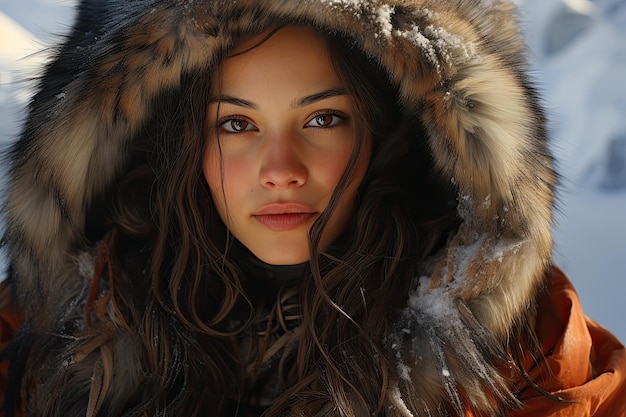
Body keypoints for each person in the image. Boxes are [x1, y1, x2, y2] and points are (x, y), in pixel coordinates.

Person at [0, 1, 624, 416]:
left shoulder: (539, 361)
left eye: (324, 118)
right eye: (237, 123)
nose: (280, 169)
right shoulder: (36, 345)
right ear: (169, 143)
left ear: (394, 134)